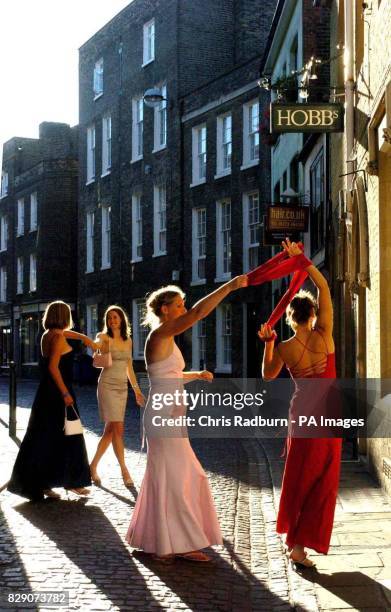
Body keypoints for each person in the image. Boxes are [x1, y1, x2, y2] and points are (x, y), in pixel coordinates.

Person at [126, 275, 248, 562]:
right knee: (181, 475)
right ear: (165, 309)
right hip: (164, 414)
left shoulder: (165, 338)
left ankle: (163, 541)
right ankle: (176, 544)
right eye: (178, 305)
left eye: (183, 304)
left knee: (171, 475)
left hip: (170, 413)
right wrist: (229, 286)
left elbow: (170, 375)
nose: (183, 309)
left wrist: (196, 375)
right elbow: (198, 313)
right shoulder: (160, 334)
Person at [258, 238, 342, 568]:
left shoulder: (285, 348)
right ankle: (300, 544)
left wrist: (268, 343)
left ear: (291, 319)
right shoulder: (325, 333)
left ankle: (295, 543)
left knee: (299, 476)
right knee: (324, 480)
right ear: (313, 315)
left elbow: (266, 375)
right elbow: (322, 285)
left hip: (302, 414)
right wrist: (301, 259)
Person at [8, 301, 97, 501]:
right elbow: (53, 368)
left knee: (45, 438)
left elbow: (65, 334)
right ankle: (73, 481)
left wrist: (83, 337)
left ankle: (44, 483)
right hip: (59, 393)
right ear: (64, 316)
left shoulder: (47, 335)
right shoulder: (57, 338)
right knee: (71, 435)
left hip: (46, 393)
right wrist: (65, 394)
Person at [89, 306, 145, 488]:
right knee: (118, 429)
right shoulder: (104, 337)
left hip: (121, 388)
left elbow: (129, 367)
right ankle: (124, 470)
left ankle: (92, 466)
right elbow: (96, 344)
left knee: (110, 431)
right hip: (107, 386)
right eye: (109, 317)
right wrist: (96, 345)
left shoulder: (128, 340)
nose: (112, 320)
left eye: (115, 317)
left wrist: (136, 390)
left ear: (122, 319)